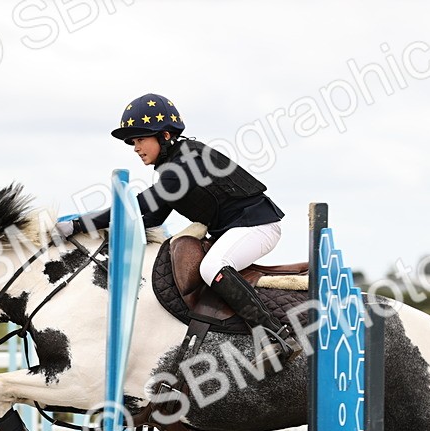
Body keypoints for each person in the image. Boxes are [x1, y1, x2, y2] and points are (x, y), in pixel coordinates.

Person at [59, 93, 297, 368]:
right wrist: (106, 232)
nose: (136, 148)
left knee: (212, 267)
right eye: (133, 142)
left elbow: (139, 204)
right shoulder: (173, 166)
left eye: (140, 139)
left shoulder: (185, 162)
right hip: (238, 228)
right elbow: (151, 218)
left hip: (257, 226)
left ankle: (276, 336)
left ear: (165, 136)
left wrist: (80, 224)